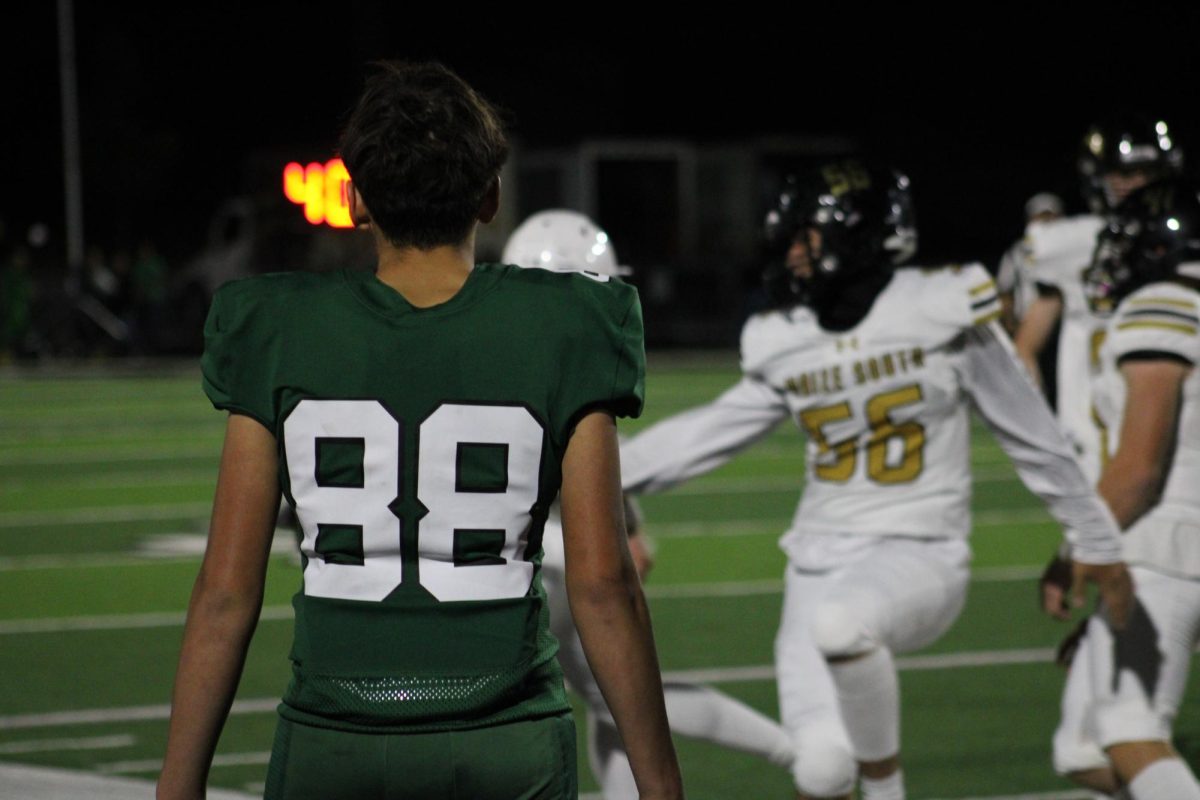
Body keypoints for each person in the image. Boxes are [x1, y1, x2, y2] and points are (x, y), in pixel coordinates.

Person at [158, 61, 683, 800]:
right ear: (491, 197)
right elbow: (603, 585)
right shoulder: (569, 322)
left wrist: (176, 789)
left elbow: (225, 591)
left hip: (334, 740)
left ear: (355, 202)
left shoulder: (275, 327)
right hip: (506, 738)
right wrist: (661, 786)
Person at [618, 159, 1133, 800]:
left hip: (919, 551)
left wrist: (1097, 538)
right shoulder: (789, 337)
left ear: (856, 235)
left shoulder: (937, 306)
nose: (794, 254)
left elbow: (1032, 435)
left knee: (842, 626)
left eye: (807, 237)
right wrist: (594, 474)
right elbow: (708, 434)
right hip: (815, 563)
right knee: (822, 769)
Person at [503, 210, 795, 799]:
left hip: (531, 562)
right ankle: (797, 754)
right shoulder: (552, 362)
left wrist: (623, 525)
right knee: (612, 696)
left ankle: (800, 756)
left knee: (609, 695)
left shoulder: (513, 355)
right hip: (534, 558)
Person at [1045, 179, 1200, 799]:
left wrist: (1074, 556)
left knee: (1129, 728)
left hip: (1166, 542)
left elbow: (1138, 469)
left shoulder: (1162, 303)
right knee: (1080, 748)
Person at [1014, 115, 1183, 480]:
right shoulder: (1068, 244)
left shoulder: (1185, 243)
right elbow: (1026, 346)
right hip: (1094, 447)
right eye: (1122, 176)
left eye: (1147, 173)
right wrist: (1035, 423)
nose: (1136, 185)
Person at [996, 191, 1063, 333]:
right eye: (1041, 217)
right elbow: (1004, 291)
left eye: (1051, 216)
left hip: (1065, 325)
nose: (1046, 222)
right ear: (1030, 220)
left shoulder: (1074, 248)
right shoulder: (1017, 252)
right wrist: (1009, 323)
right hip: (1027, 324)